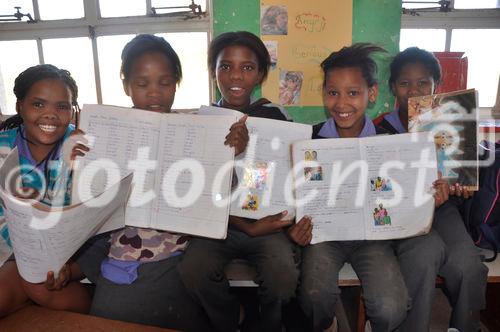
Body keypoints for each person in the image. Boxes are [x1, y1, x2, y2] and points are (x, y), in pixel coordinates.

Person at [87, 34, 248, 330]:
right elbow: (91, 197)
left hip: (176, 252)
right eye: (142, 83)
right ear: (126, 85)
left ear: (176, 82)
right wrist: (79, 158)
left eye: (164, 82)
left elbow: (224, 191)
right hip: (123, 251)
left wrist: (231, 155)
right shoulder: (110, 132)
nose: (155, 94)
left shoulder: (197, 129)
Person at [289, 43, 448, 332]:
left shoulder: (392, 140)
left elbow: (405, 193)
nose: (342, 103)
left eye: (353, 93)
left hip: (374, 239)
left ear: (371, 94)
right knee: (315, 298)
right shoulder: (308, 141)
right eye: (333, 92)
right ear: (324, 94)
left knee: (390, 309)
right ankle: (330, 324)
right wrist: (295, 225)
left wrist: (428, 200)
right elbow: (295, 196)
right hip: (325, 238)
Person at [177, 31, 299, 332]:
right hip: (220, 223)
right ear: (214, 71)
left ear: (260, 74)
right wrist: (227, 155)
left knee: (283, 277)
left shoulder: (276, 116)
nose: (236, 76)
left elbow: (284, 176)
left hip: (266, 222)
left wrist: (249, 155)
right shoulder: (202, 120)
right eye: (225, 66)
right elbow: (198, 187)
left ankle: (265, 322)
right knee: (193, 269)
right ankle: (231, 319)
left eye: (247, 67)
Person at [378, 46, 488, 332]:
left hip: (444, 209)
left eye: (423, 82)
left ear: (436, 85)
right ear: (393, 87)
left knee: (469, 267)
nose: (414, 90)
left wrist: (462, 188)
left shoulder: (455, 126)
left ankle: (464, 327)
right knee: (425, 256)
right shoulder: (380, 130)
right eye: (404, 83)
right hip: (403, 215)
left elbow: (465, 179)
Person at [0, 64, 91, 316]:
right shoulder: (3, 148)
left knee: (41, 285)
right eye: (38, 104)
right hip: (13, 254)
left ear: (73, 110)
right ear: (20, 106)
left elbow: (91, 219)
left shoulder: (82, 147)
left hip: (70, 256)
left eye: (62, 106)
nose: (50, 115)